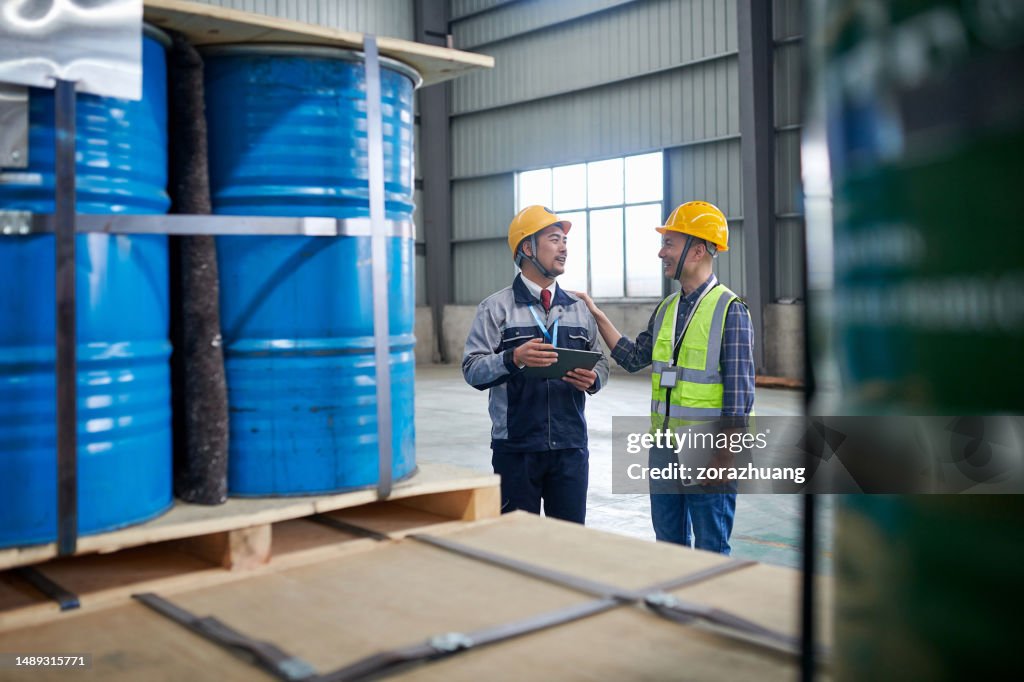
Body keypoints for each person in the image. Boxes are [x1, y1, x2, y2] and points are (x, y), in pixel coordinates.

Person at [574, 201, 754, 554]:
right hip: (664, 449)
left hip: (708, 452)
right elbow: (632, 357)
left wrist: (724, 460)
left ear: (698, 250)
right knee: (668, 547)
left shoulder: (730, 310)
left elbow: (739, 399)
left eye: (669, 243)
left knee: (710, 550)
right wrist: (597, 315)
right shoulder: (667, 308)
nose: (661, 253)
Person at [462, 205, 610, 524]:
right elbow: (472, 368)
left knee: (570, 544)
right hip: (516, 448)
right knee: (519, 546)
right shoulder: (495, 309)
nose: (564, 247)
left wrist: (593, 378)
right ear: (527, 248)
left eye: (565, 241)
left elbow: (602, 365)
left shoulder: (579, 310)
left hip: (570, 447)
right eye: (554, 239)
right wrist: (512, 358)